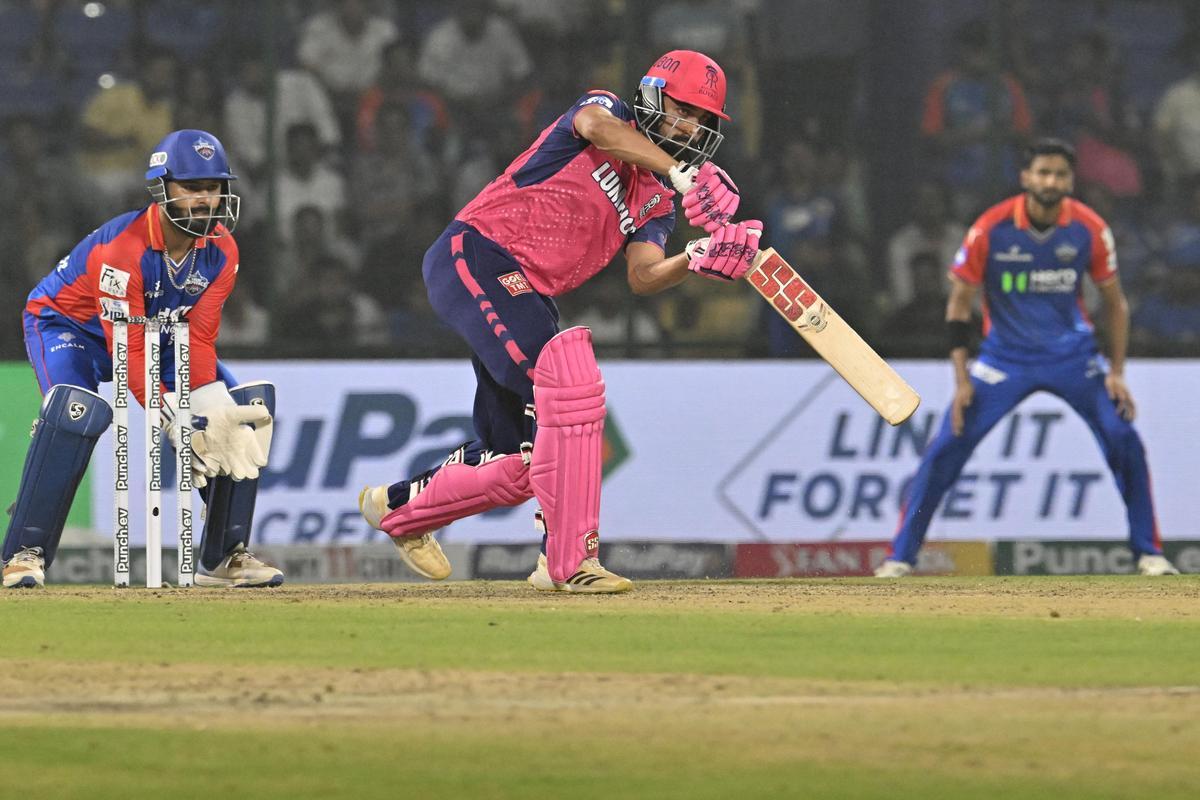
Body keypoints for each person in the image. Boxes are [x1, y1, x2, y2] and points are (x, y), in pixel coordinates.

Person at [358, 49, 761, 593]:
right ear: (652, 97)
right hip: (477, 253)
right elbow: (596, 127)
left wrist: (693, 258)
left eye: (702, 120)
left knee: (520, 461)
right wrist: (680, 172)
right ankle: (569, 562)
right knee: (567, 387)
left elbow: (643, 275)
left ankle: (399, 510)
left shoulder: (659, 200)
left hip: (526, 290)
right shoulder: (606, 109)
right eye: (683, 111)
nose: (692, 127)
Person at [875, 139, 1179, 578]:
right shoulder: (990, 229)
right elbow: (959, 306)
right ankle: (900, 558)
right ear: (1025, 177)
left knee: (1124, 438)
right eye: (1042, 173)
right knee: (945, 448)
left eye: (1059, 174)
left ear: (1070, 181)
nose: (1050, 182)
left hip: (1074, 356)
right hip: (1004, 359)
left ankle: (1149, 553)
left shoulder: (1089, 228)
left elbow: (1116, 305)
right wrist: (962, 381)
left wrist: (1116, 373)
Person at [3, 129, 283, 589]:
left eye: (213, 187)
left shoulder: (222, 251)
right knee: (74, 413)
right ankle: (23, 553)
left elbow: (200, 339)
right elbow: (129, 354)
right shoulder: (122, 251)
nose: (205, 199)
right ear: (161, 187)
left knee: (232, 412)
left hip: (160, 329)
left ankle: (226, 555)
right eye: (192, 187)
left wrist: (205, 409)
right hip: (70, 326)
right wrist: (176, 416)